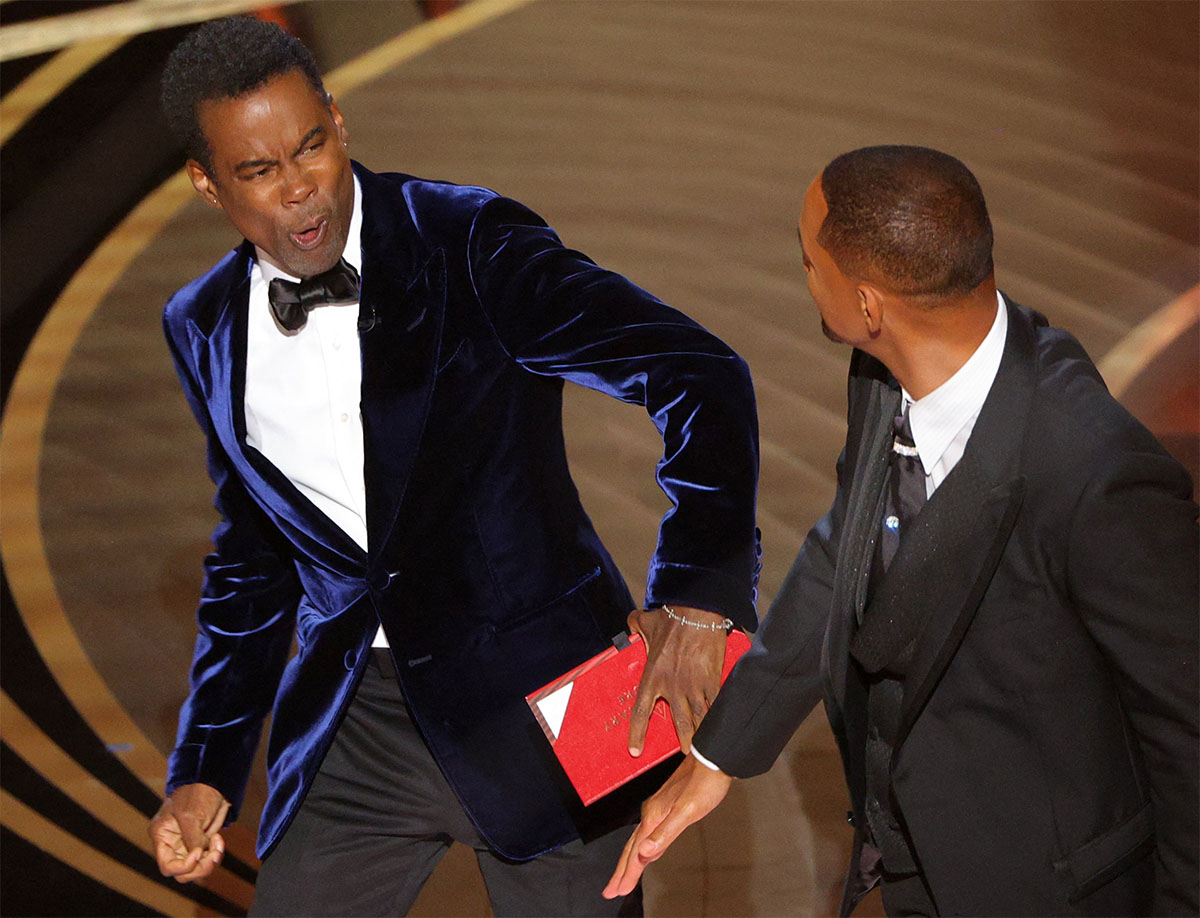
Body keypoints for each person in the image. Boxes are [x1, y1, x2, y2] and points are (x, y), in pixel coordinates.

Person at [147, 17, 761, 917]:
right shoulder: (203, 323)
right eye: (260, 171)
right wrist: (207, 764)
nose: (303, 189)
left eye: (311, 146)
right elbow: (255, 551)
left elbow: (697, 373)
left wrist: (699, 596)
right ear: (207, 183)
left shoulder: (468, 241)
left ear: (339, 124)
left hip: (545, 712)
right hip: (355, 729)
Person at [605, 145, 1199, 916]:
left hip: (1051, 890)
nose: (803, 276)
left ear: (868, 305)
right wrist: (720, 755)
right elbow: (842, 551)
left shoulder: (1096, 474)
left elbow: (1187, 730)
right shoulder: (883, 375)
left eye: (808, 261)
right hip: (918, 871)